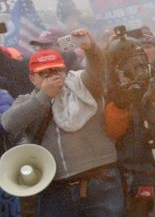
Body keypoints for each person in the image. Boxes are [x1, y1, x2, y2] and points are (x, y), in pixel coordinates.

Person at [0, 30, 125, 216]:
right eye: (44, 73)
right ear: (32, 78)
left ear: (65, 70)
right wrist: (44, 96)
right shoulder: (26, 100)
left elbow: (98, 71)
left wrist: (91, 49)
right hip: (56, 189)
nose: (52, 76)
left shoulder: (83, 85)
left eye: (57, 70)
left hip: (100, 181)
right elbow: (9, 123)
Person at [103, 32, 155, 217]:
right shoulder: (111, 96)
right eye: (131, 65)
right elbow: (113, 131)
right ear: (116, 69)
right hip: (135, 174)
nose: (138, 70)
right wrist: (121, 105)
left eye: (141, 63)